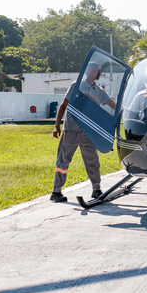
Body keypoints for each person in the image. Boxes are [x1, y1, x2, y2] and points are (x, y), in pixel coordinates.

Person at [50, 62, 116, 203]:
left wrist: (125, 112)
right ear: (92, 72)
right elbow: (63, 105)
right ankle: (56, 192)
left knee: (93, 160)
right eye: (98, 71)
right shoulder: (76, 86)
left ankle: (96, 190)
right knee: (63, 160)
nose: (100, 74)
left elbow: (113, 105)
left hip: (88, 133)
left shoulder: (99, 91)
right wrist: (57, 126)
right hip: (71, 130)